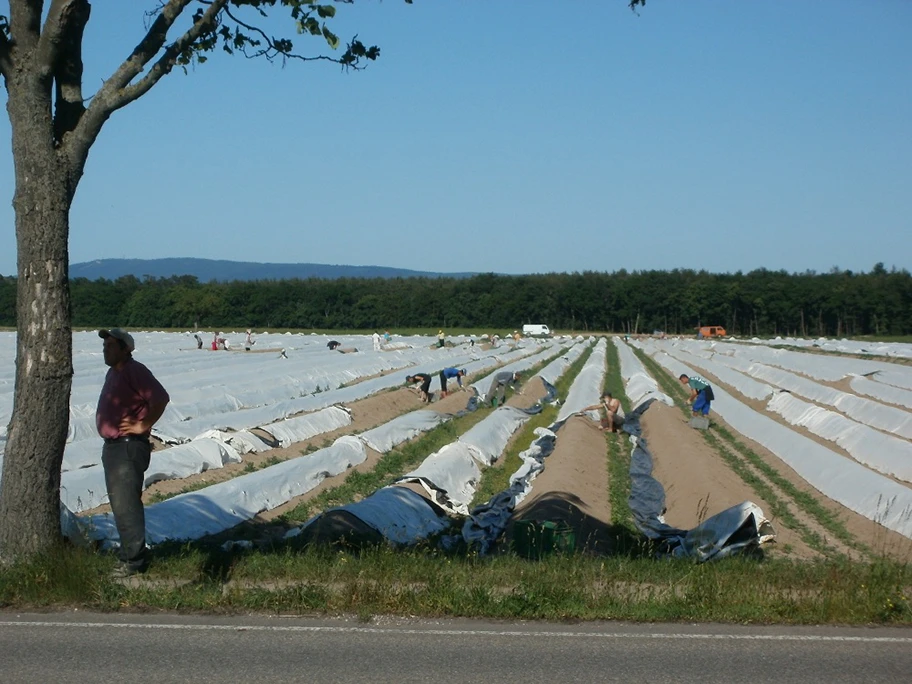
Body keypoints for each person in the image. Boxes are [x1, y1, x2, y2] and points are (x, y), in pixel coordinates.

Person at [95, 328, 170, 577]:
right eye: (104, 345)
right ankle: (130, 554)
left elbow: (160, 398)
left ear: (126, 349)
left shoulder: (134, 370)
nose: (106, 349)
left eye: (111, 345)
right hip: (114, 447)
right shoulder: (113, 373)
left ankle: (133, 560)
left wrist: (142, 424)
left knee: (126, 504)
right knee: (120, 502)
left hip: (128, 446)